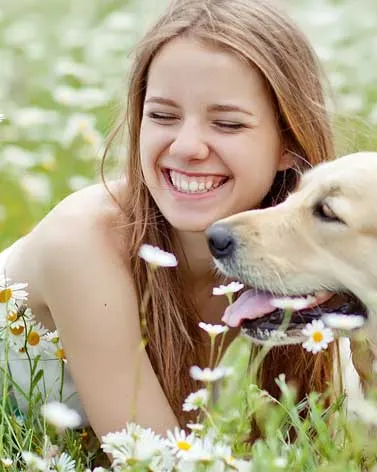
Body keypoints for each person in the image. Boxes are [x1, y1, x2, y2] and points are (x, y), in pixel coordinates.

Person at [0, 0, 339, 440]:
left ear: (288, 144)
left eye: (228, 124)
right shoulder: (82, 242)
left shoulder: (319, 255)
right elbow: (152, 461)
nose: (187, 146)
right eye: (162, 116)